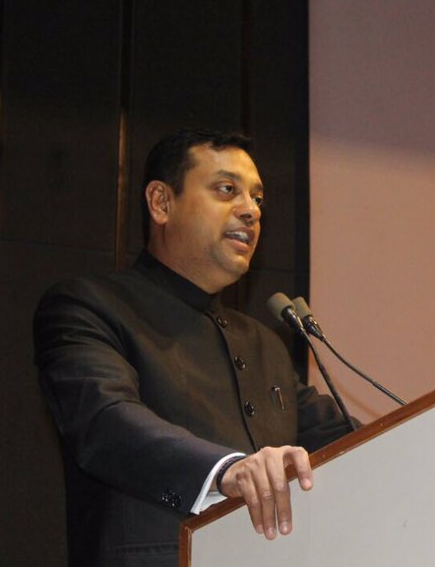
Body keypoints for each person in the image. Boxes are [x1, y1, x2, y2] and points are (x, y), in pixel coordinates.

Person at [34, 129, 354, 567]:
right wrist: (226, 470)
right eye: (227, 190)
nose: (251, 210)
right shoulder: (89, 307)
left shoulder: (265, 344)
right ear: (161, 203)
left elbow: (351, 442)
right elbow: (105, 422)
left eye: (258, 198)